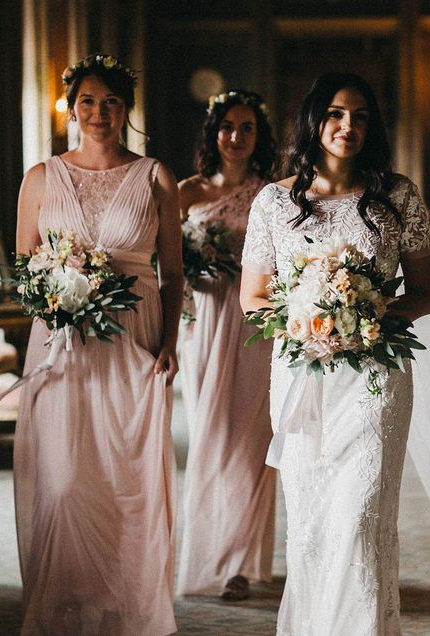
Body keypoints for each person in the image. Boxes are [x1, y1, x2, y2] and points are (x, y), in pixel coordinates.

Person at [239, 72, 430, 635]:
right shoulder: (275, 202)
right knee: (313, 519)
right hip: (305, 374)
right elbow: (253, 298)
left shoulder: (397, 196)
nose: (348, 126)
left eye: (360, 116)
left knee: (361, 515)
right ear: (313, 121)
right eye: (335, 113)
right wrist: (307, 320)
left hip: (376, 377)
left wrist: (370, 316)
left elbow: (423, 292)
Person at [13, 53, 183, 635]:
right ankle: (62, 599)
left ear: (127, 109)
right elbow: (24, 270)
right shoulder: (40, 177)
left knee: (123, 481)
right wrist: (57, 296)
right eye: (88, 100)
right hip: (61, 344)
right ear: (70, 107)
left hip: (132, 340)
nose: (99, 113)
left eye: (111, 102)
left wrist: (169, 341)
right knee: (61, 481)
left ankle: (122, 603)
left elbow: (173, 274)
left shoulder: (156, 176)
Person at [176, 90, 277, 601]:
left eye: (247, 128)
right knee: (210, 435)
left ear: (259, 137)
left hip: (254, 325)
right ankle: (205, 551)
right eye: (228, 127)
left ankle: (239, 563)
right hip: (204, 324)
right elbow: (163, 264)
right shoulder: (186, 192)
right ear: (213, 132)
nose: (236, 137)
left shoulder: (273, 195)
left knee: (252, 440)